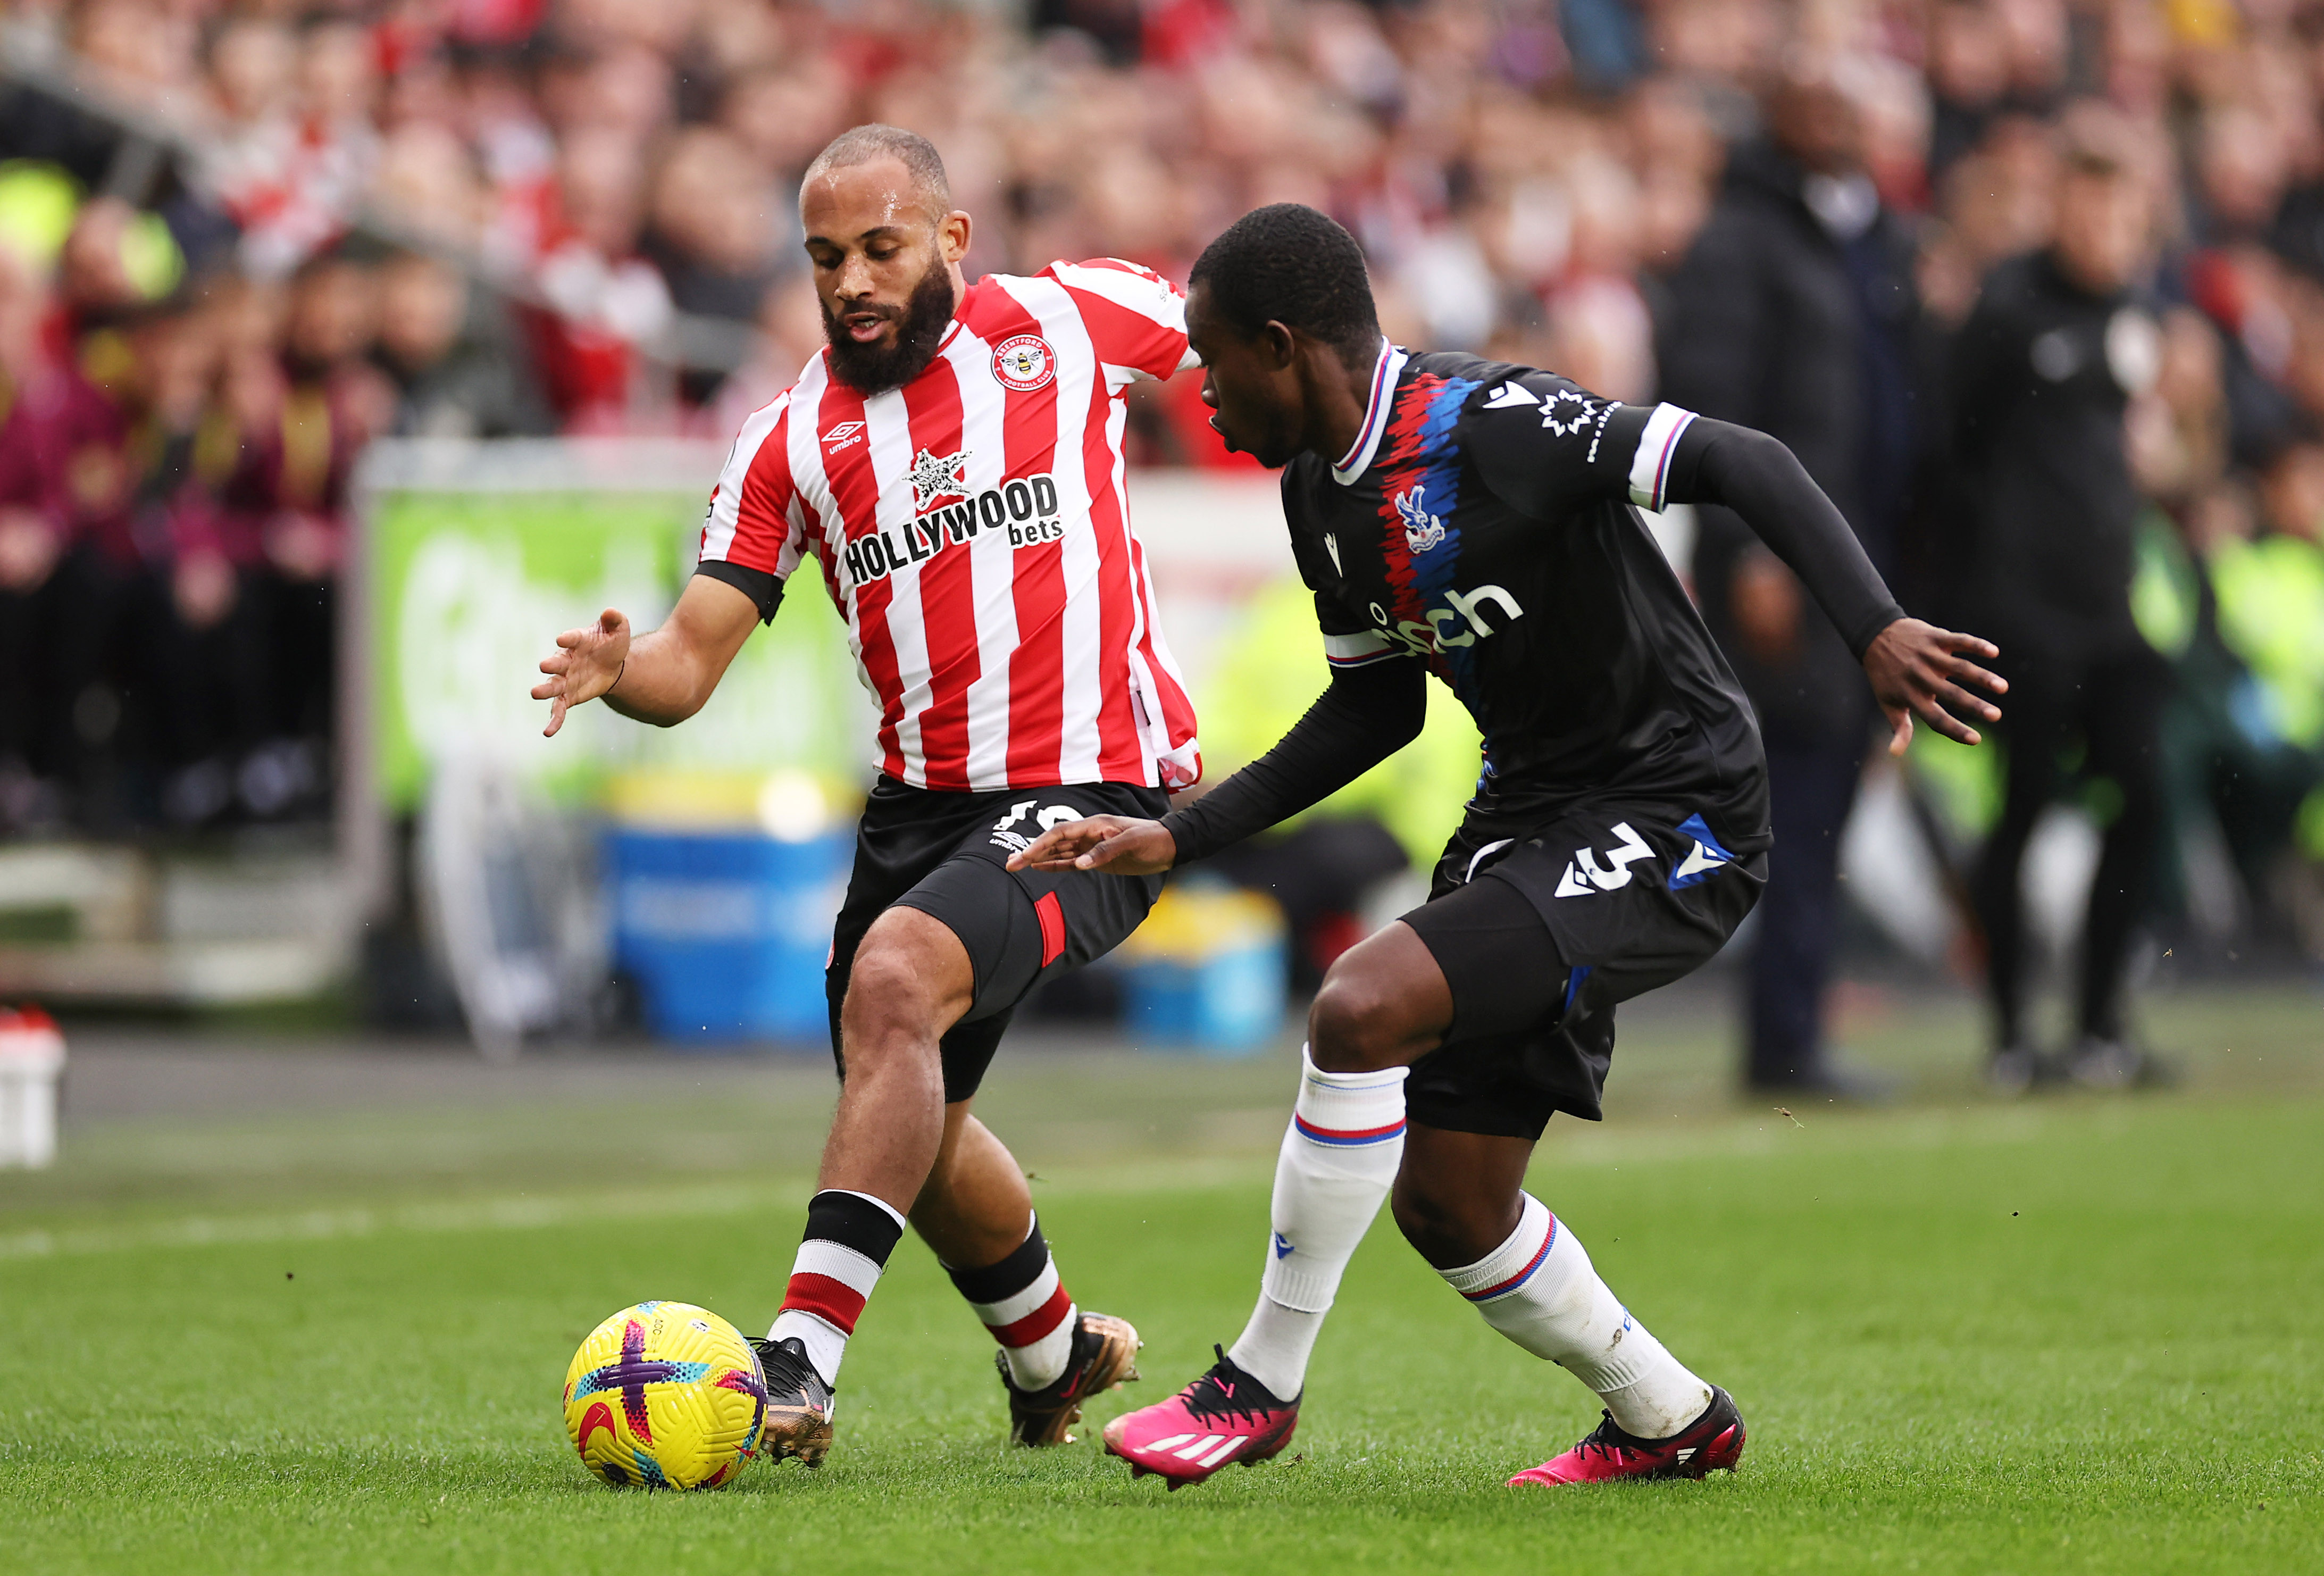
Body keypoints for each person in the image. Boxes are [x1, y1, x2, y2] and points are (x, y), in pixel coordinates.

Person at [1007, 204, 2003, 1489]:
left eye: (1210, 362)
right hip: (1533, 814)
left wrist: (1870, 626)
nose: (1199, 394)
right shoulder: (1321, 497)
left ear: (1280, 344)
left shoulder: (1491, 424)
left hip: (1678, 806)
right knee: (1451, 1205)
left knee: (1358, 1006)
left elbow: (1744, 456)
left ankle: (1257, 1382)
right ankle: (1669, 1417)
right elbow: (1378, 704)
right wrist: (1179, 833)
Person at [530, 125, 1203, 1464]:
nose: (852, 281)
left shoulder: (1069, 321)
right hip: (918, 812)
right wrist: (623, 671)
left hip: (1097, 789)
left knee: (895, 983)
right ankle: (1055, 1354)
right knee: (916, 1111)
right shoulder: (789, 439)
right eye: (826, 257)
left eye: (880, 249)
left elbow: (1260, 348)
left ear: (951, 240)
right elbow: (688, 661)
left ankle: (798, 1359)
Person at [1658, 56, 1926, 1097]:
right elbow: (1710, 406)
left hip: (1859, 558)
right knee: (1796, 792)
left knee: (1822, 794)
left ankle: (1792, 1024)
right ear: (1779, 119)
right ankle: (1781, 1037)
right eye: (1820, 106)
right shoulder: (1739, 241)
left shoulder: (1870, 235)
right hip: (1788, 562)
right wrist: (1752, 549)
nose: (1841, 124)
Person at [1953, 108, 2172, 1092]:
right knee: (2026, 808)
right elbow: (1952, 449)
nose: (2104, 228)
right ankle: (2010, 1034)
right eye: (2090, 203)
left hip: (2111, 606)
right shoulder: (2007, 309)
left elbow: (2158, 455)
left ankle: (2098, 1027)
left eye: (2121, 209)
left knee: (2144, 801)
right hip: (2024, 609)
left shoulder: (2134, 312)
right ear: (2060, 207)